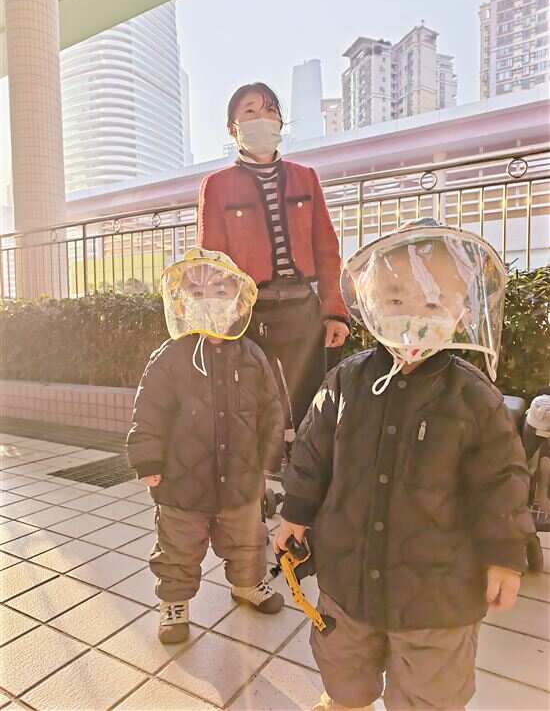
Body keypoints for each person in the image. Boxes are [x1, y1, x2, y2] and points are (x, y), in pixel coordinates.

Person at [274, 219, 535, 711]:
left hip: (437, 591)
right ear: (371, 302)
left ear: (461, 312)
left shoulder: (473, 396)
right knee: (344, 661)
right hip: (349, 573)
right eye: (395, 299)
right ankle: (346, 700)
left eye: (433, 303)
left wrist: (504, 554)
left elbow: (501, 480)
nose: (413, 315)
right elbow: (311, 452)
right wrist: (295, 512)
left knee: (431, 684)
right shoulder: (346, 380)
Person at [127, 248, 284, 644]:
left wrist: (270, 459)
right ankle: (174, 602)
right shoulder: (170, 357)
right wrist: (147, 459)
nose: (209, 300)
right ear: (182, 302)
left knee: (248, 540)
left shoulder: (252, 356)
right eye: (196, 293)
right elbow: (149, 411)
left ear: (238, 301)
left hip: (241, 480)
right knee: (177, 547)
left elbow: (271, 410)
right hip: (181, 481)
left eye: (219, 290)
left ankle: (247, 584)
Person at [198, 81, 349, 440]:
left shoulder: (305, 178)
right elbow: (211, 263)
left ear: (280, 123)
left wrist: (335, 313)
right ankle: (263, 474)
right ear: (233, 128)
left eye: (270, 111)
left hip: (303, 311)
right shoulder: (217, 185)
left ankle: (307, 472)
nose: (262, 118)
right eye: (250, 111)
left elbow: (328, 251)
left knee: (314, 410)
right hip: (250, 316)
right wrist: (216, 323)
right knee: (256, 411)